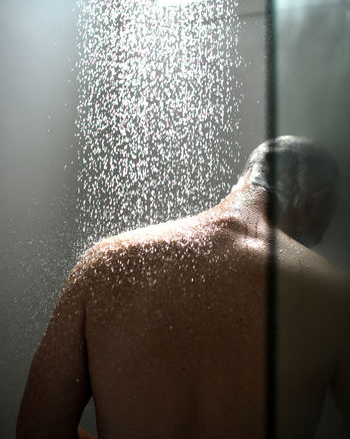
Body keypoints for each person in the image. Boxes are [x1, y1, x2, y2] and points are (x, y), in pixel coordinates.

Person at [17, 136, 350, 439]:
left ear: (244, 181)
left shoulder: (105, 264)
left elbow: (37, 430)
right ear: (316, 204)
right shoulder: (335, 294)